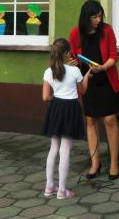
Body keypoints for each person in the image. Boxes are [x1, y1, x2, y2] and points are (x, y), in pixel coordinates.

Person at [69, 0, 119, 180]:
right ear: (86, 17)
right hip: (88, 81)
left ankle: (114, 164)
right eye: (94, 17)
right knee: (91, 121)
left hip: (106, 79)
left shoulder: (107, 30)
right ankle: (95, 164)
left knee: (110, 119)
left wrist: (103, 68)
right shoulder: (75, 33)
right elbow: (74, 57)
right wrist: (74, 62)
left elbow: (114, 57)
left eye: (100, 16)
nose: (99, 20)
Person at [42, 38, 91, 199]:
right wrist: (87, 75)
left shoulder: (48, 71)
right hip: (70, 109)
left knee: (53, 148)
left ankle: (49, 186)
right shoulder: (75, 71)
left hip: (55, 108)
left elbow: (45, 97)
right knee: (65, 150)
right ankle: (62, 190)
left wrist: (55, 98)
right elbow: (82, 91)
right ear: (67, 53)